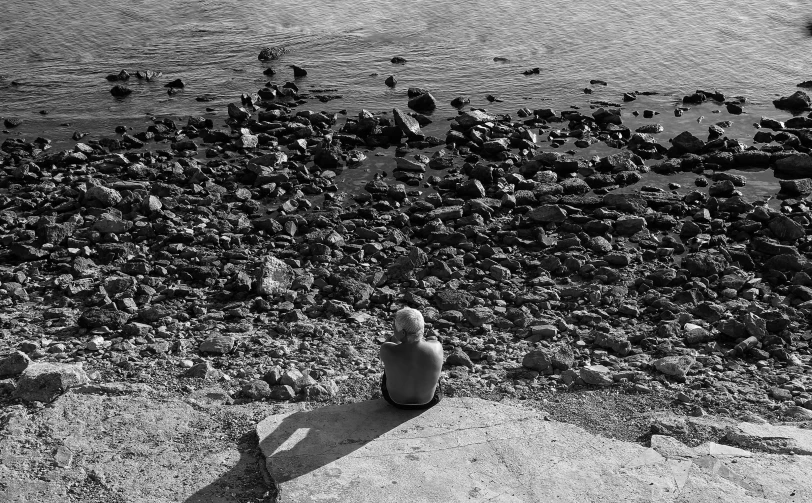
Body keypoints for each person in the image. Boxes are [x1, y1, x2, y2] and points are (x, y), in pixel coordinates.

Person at [378, 307, 444, 410]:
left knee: (389, 366)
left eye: (394, 327)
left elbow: (393, 342)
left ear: (403, 333)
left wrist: (396, 337)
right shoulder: (437, 347)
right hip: (428, 402)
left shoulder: (387, 349)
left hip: (395, 402)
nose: (393, 329)